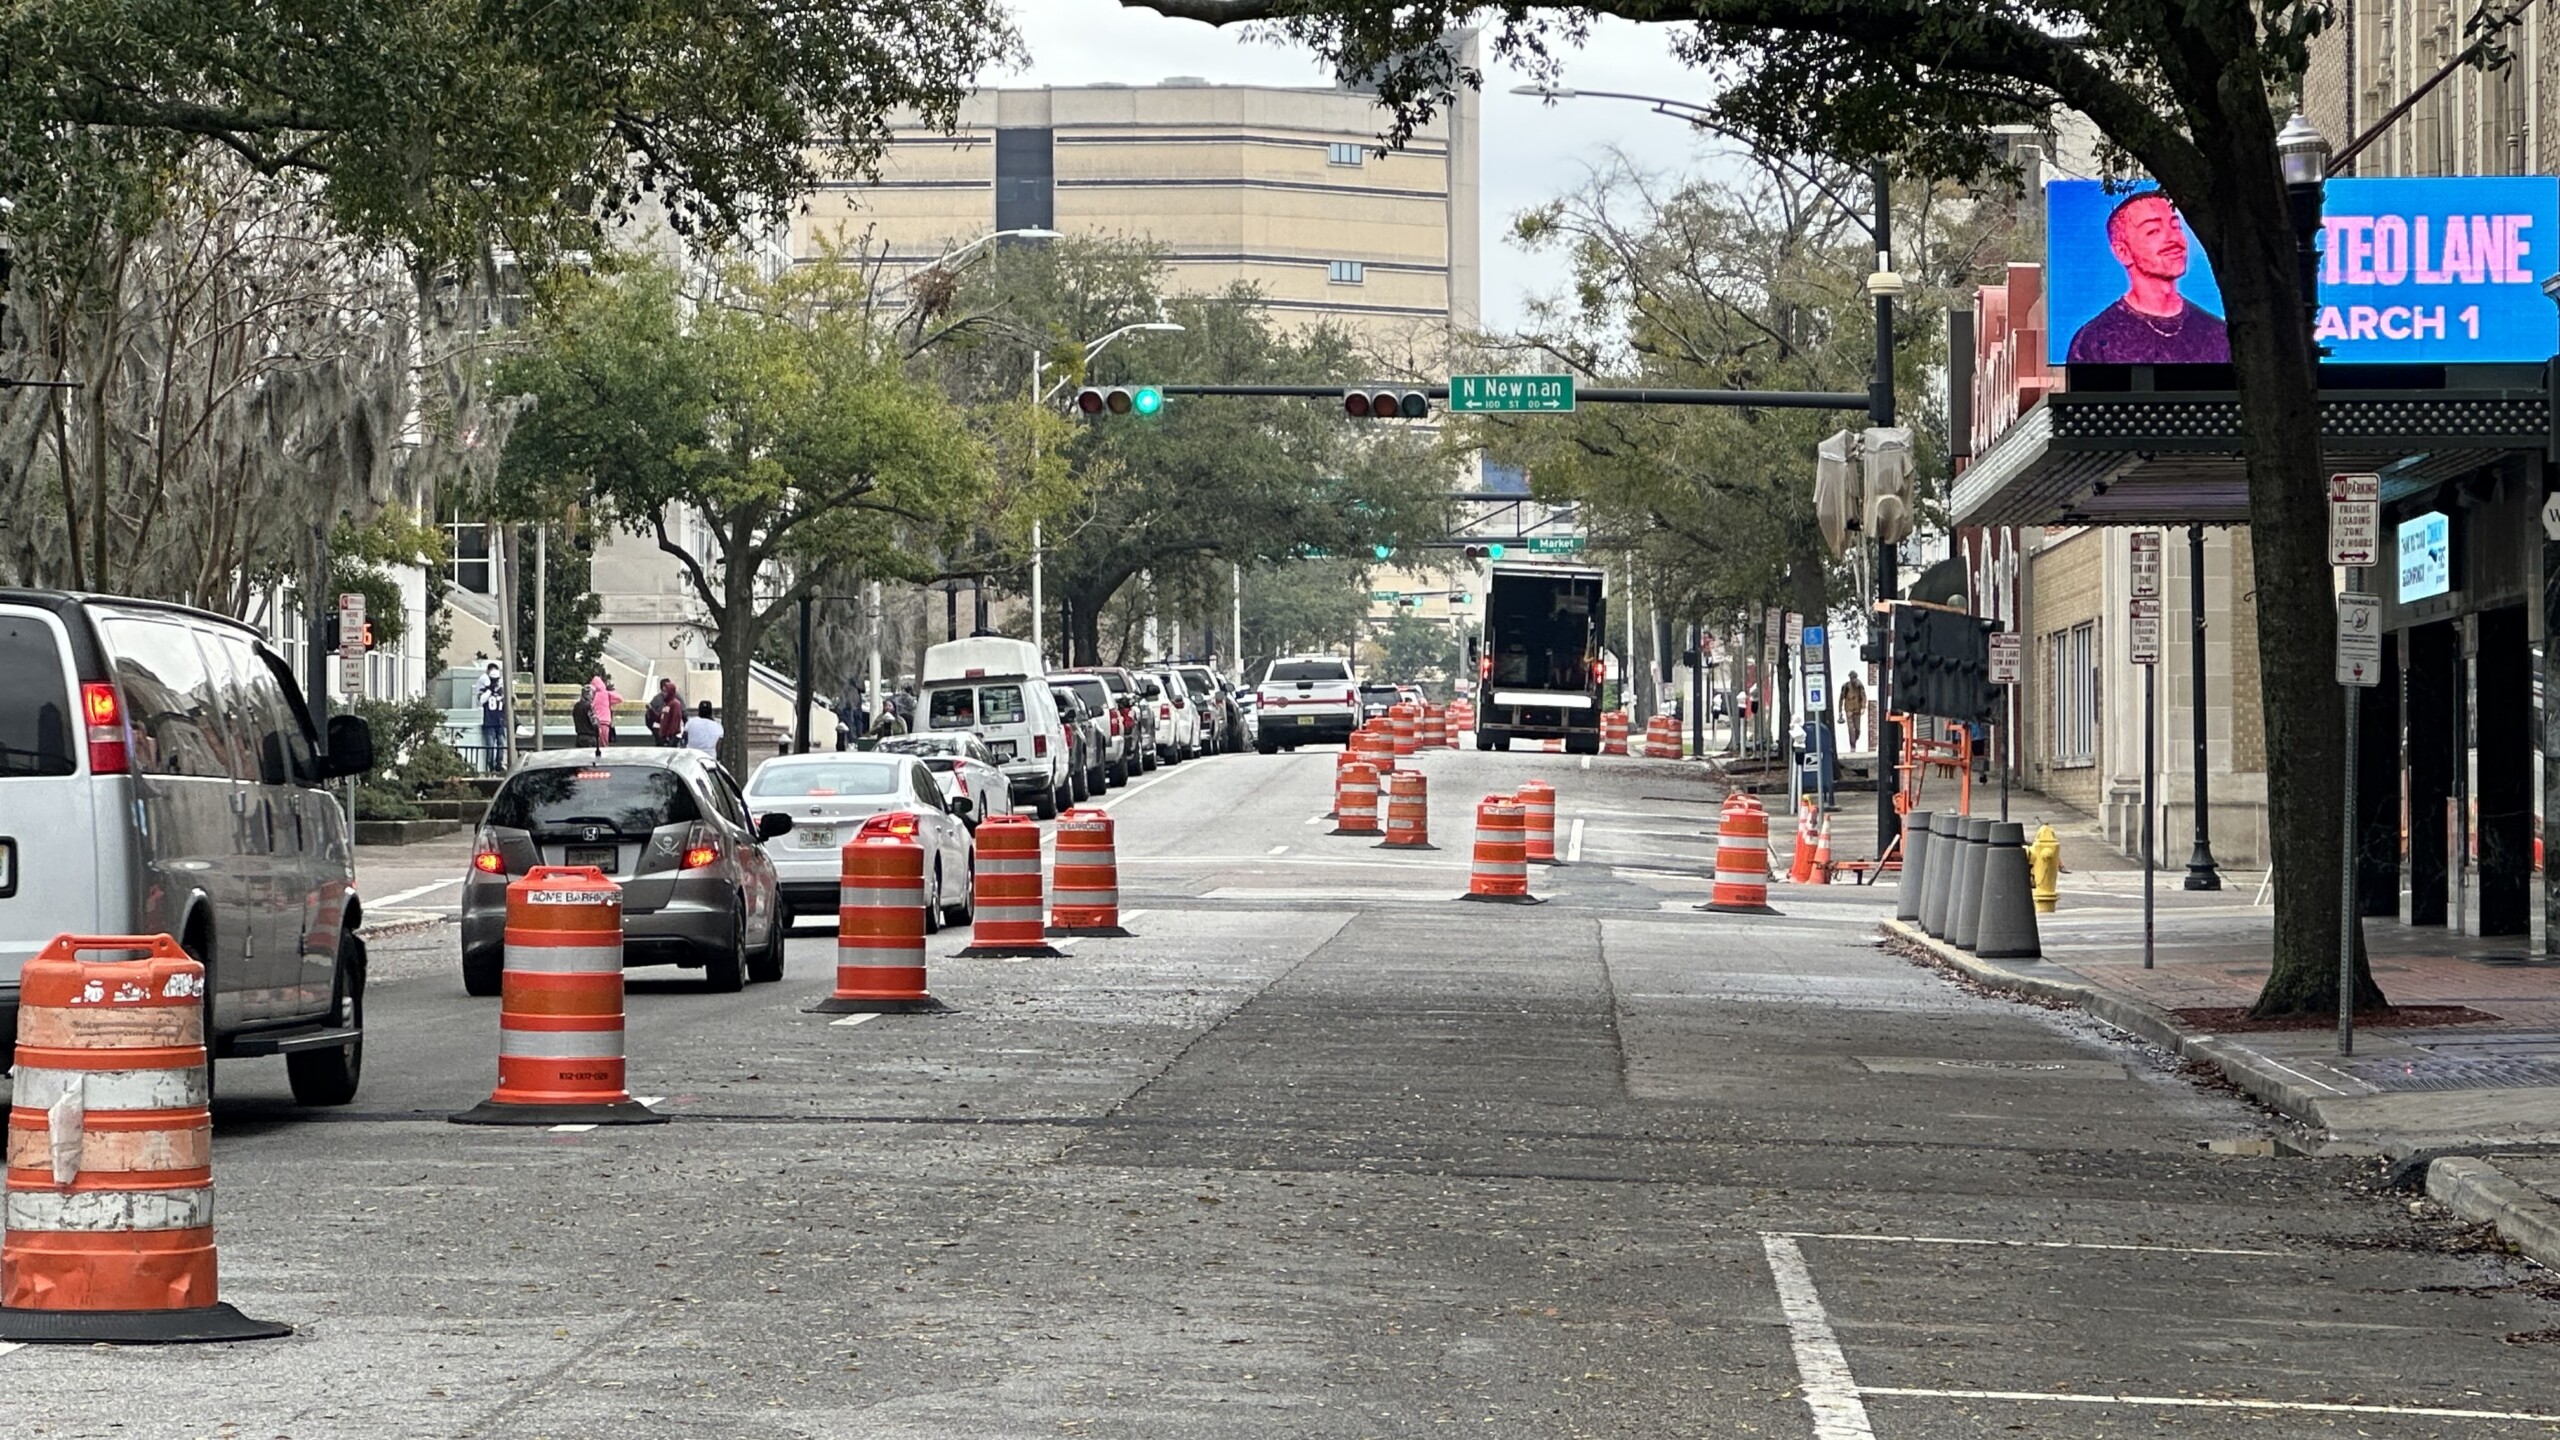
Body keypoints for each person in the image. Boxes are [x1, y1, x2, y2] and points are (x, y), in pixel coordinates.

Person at [2064, 191, 2230, 365]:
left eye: (2176, 227)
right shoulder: (2094, 342)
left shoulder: (2218, 334)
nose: (2173, 239)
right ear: (2123, 252)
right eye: (2153, 231)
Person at [474, 661, 509, 769]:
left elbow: (508, 702)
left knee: (501, 745)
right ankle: (490, 767)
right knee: (490, 746)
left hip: (500, 722)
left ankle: (499, 764)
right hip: (489, 722)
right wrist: (490, 689)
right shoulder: (484, 690)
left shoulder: (502, 691)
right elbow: (481, 700)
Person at [584, 670, 624, 749]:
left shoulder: (593, 695)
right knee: (604, 743)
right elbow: (620, 699)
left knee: (597, 742)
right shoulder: (607, 694)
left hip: (595, 722)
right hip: (605, 721)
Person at [645, 677, 686, 747]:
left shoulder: (675, 704)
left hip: (671, 738)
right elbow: (659, 718)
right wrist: (651, 710)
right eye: (663, 691)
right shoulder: (665, 704)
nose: (663, 694)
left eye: (665, 691)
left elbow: (674, 722)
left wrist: (668, 736)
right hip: (663, 736)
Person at [1837, 671, 1867, 750]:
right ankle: (1852, 746)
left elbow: (1863, 697)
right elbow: (1841, 699)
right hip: (1849, 710)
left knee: (1857, 730)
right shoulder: (1845, 687)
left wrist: (1863, 707)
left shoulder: (1859, 686)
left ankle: (1854, 741)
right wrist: (1840, 711)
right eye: (1851, 678)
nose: (1852, 680)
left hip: (1857, 710)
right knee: (1851, 729)